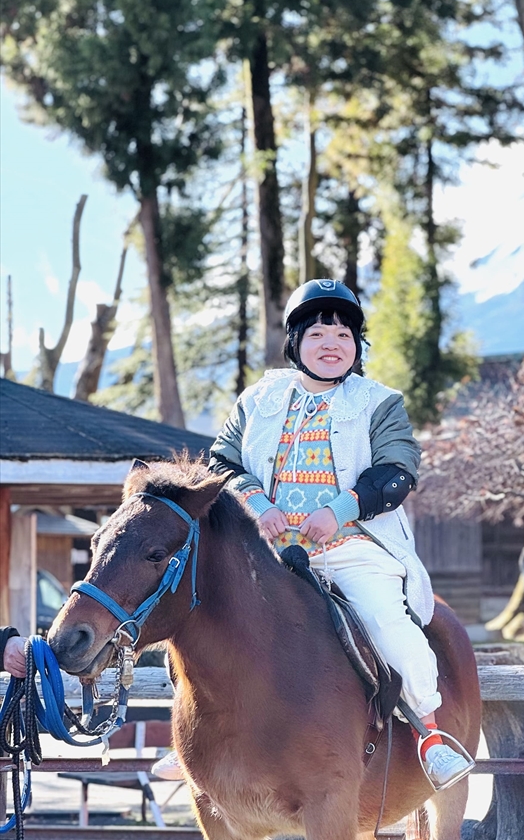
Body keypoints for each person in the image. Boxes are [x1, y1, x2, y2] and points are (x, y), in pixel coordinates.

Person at [156, 279, 473, 791]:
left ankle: (431, 737)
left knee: (390, 626)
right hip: (266, 554)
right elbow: (221, 462)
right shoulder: (258, 399)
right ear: (295, 342)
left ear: (357, 346)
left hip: (352, 549)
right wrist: (257, 505)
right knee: (200, 616)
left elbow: (398, 470)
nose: (332, 343)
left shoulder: (379, 402)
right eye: (319, 333)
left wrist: (339, 511)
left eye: (344, 335)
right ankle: (192, 739)